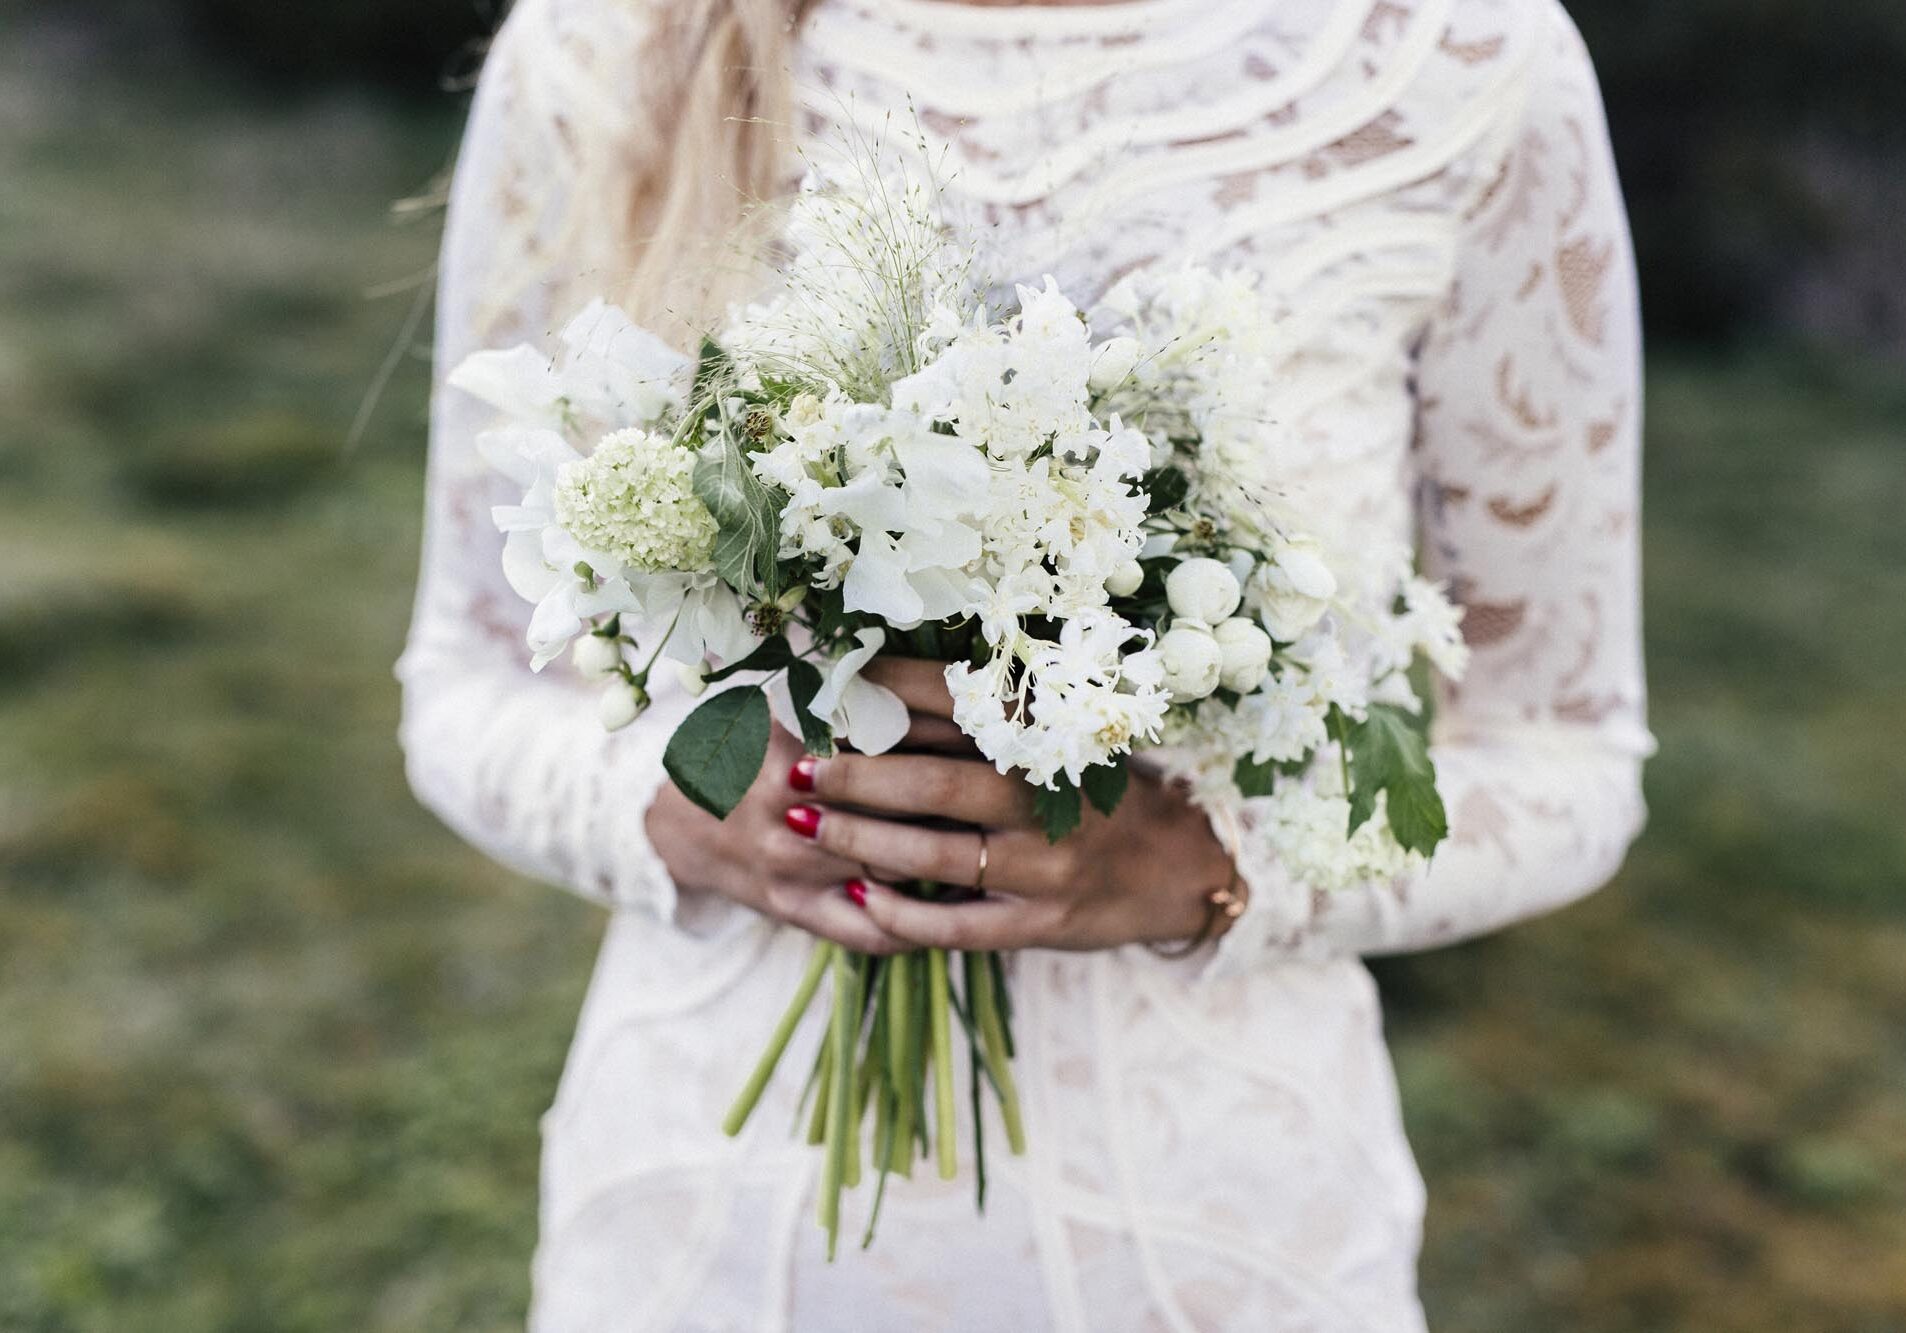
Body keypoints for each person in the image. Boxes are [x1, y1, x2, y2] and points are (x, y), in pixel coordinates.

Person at [397, 0, 1655, 1326]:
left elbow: (1567, 755)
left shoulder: (1459, 62)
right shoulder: (604, 41)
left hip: (1218, 1245)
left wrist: (1214, 868)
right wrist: (670, 812)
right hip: (699, 1232)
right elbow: (463, 684)